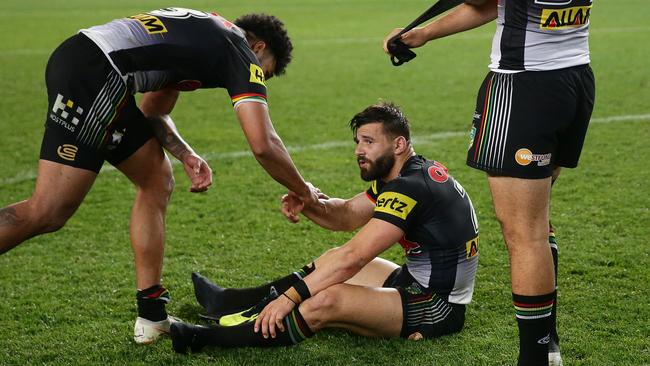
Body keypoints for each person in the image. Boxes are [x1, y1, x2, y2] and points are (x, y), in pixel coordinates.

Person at [0, 7, 320, 345]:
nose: (256, 79)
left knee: (157, 179)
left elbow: (154, 111)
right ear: (258, 49)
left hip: (88, 63)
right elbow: (263, 143)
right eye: (263, 73)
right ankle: (151, 314)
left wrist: (185, 153)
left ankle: (152, 316)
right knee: (48, 211)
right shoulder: (238, 49)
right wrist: (304, 190)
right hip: (96, 74)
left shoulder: (205, 35)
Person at [169, 101, 480, 353]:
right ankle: (227, 301)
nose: (359, 150)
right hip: (410, 280)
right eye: (358, 142)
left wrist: (289, 298)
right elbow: (345, 215)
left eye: (369, 142)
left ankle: (204, 338)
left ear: (398, 144)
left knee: (326, 300)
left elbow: (354, 257)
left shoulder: (409, 187)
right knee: (329, 259)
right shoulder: (405, 175)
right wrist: (310, 202)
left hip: (437, 307)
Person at [383, 1, 595, 365]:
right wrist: (424, 32)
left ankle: (536, 358)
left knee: (525, 233)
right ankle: (547, 345)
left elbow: (479, 2)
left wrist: (423, 31)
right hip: (574, 76)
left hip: (524, 84)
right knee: (537, 220)